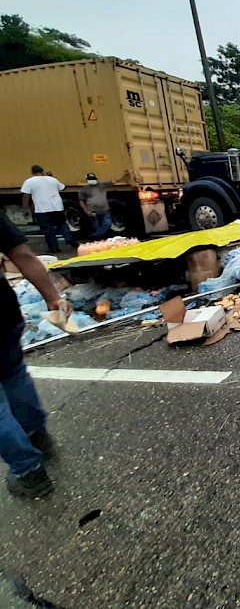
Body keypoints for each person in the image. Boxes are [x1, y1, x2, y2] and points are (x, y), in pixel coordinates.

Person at [0, 211, 71, 498]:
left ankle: (29, 472)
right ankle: (38, 439)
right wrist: (53, 297)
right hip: (1, 314)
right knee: (13, 373)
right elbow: (23, 255)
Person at [20, 165, 74, 254]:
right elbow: (62, 188)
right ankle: (69, 239)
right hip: (57, 207)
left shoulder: (29, 182)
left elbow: (26, 195)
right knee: (62, 224)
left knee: (48, 229)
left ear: (32, 172)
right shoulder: (52, 179)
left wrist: (25, 209)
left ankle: (54, 248)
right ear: (42, 171)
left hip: (42, 209)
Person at [78, 172, 117, 240]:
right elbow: (81, 201)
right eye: (90, 179)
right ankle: (100, 240)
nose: (92, 180)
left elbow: (113, 181)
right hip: (93, 212)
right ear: (87, 180)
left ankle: (94, 236)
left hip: (105, 210)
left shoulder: (102, 185)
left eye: (93, 179)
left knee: (108, 223)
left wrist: (124, 176)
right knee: (96, 226)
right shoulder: (83, 189)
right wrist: (86, 211)